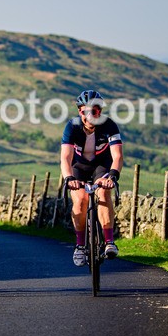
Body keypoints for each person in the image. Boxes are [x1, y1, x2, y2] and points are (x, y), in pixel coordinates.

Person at [60, 90, 124, 267]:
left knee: (103, 193)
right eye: (84, 111)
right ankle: (80, 245)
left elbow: (117, 156)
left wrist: (112, 175)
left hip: (102, 165)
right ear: (80, 112)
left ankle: (109, 241)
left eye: (94, 111)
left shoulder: (109, 125)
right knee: (80, 200)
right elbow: (65, 157)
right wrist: (69, 178)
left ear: (99, 112)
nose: (89, 115)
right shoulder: (72, 126)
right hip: (78, 167)